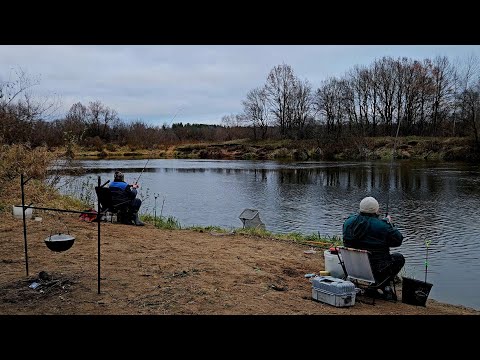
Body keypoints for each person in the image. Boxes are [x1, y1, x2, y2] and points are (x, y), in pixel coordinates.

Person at [342, 196, 404, 300]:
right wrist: (390, 224)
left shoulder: (348, 222)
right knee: (398, 258)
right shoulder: (383, 226)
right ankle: (381, 285)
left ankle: (376, 287)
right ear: (376, 209)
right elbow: (398, 240)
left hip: (352, 267)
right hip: (376, 269)